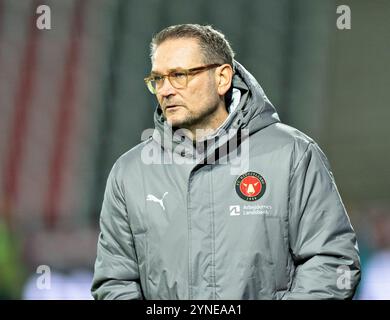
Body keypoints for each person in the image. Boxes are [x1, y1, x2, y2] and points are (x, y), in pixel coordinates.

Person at [91, 24, 361, 300]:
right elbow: (115, 281)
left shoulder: (294, 154)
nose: (166, 90)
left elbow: (332, 263)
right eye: (158, 79)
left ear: (222, 78)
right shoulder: (129, 173)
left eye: (179, 75)